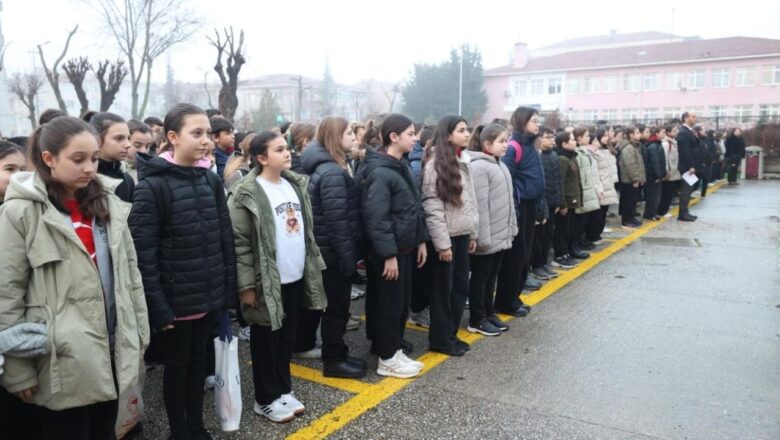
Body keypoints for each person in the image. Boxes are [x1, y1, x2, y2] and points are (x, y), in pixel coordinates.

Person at [0, 117, 149, 440]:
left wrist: (138, 337)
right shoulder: (21, 213)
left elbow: (130, 278)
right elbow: (6, 293)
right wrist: (18, 370)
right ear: (48, 158)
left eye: (94, 158)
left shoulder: (108, 203)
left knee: (106, 431)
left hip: (110, 351)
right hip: (60, 362)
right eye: (77, 159)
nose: (89, 168)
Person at [129, 104, 237, 439]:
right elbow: (143, 255)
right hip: (176, 303)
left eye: (207, 133)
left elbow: (223, 238)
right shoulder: (153, 187)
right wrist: (159, 307)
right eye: (197, 133)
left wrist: (226, 293)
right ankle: (179, 430)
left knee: (197, 367)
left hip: (207, 296)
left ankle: (196, 425)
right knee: (178, 369)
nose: (206, 141)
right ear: (172, 137)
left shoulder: (208, 179)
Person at [228, 131, 327, 423]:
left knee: (286, 338)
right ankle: (265, 398)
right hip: (265, 280)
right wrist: (246, 285)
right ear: (261, 158)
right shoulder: (247, 192)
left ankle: (283, 390)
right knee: (265, 341)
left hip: (294, 275)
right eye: (279, 149)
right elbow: (240, 243)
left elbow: (304, 231)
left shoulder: (293, 185)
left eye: (287, 148)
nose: (288, 153)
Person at [361, 114, 428, 378]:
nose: (415, 138)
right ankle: (387, 359)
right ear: (394, 137)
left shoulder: (399, 166)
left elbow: (413, 207)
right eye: (410, 134)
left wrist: (420, 240)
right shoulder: (380, 172)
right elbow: (377, 218)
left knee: (400, 303)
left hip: (405, 247)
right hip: (391, 252)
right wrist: (388, 254)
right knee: (389, 304)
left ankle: (392, 348)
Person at [300, 117, 366, 378]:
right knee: (335, 310)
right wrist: (349, 261)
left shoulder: (331, 167)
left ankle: (337, 354)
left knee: (334, 309)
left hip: (330, 252)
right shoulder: (331, 173)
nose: (353, 137)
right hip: (333, 255)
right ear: (335, 137)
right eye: (349, 133)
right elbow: (337, 222)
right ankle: (334, 360)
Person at [422, 115, 478, 356]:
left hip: (462, 234)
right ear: (448, 135)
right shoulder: (436, 164)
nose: (467, 134)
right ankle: (441, 340)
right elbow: (432, 206)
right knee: (443, 293)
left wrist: (472, 234)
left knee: (460, 288)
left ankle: (450, 335)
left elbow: (470, 202)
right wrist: (443, 245)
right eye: (462, 130)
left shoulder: (461, 160)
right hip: (446, 239)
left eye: (467, 130)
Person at [464, 123, 516, 336]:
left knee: (491, 276)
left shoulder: (500, 164)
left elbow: (509, 203)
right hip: (487, 236)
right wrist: (480, 237)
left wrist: (511, 228)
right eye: (502, 141)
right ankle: (477, 318)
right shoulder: (479, 167)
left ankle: (488, 311)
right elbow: (480, 206)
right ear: (487, 144)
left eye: (506, 140)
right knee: (480, 277)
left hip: (500, 234)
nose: (506, 145)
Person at [494, 107, 544, 317]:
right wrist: (515, 210)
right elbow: (508, 181)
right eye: (533, 120)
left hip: (530, 206)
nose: (537, 124)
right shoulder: (514, 147)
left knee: (524, 256)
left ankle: (514, 297)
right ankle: (505, 302)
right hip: (519, 208)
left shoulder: (531, 145)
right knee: (515, 258)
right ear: (523, 122)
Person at [530, 128, 561, 280]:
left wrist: (558, 201)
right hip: (541, 205)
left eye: (553, 137)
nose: (552, 141)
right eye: (548, 137)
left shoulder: (554, 156)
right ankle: (536, 265)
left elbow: (557, 181)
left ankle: (543, 262)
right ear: (539, 139)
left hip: (552, 203)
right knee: (537, 238)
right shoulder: (536, 157)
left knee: (548, 235)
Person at [552, 131, 581, 269]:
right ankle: (560, 254)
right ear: (564, 144)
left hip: (572, 200)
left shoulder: (571, 158)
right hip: (566, 201)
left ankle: (567, 252)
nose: (575, 142)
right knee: (562, 229)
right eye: (572, 140)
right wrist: (562, 204)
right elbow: (560, 183)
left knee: (569, 228)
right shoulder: (562, 159)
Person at [90, 112, 135, 203]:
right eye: (119, 138)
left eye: (128, 138)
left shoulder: (127, 179)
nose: (128, 145)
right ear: (97, 139)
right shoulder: (86, 177)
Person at [572, 127, 600, 252]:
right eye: (586, 136)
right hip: (583, 189)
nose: (589, 138)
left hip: (589, 188)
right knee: (580, 219)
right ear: (579, 138)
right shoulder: (577, 153)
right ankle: (577, 242)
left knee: (586, 218)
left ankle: (582, 239)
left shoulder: (585, 151)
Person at [591, 128, 619, 239]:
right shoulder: (596, 152)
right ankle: (594, 234)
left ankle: (600, 230)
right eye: (604, 136)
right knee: (598, 212)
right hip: (601, 184)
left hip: (609, 182)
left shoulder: (608, 149)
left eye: (607, 135)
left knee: (604, 210)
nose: (607, 138)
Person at [618, 126, 646, 228]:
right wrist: (635, 179)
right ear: (631, 135)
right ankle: (626, 220)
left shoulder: (635, 146)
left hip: (634, 180)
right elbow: (630, 165)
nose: (640, 134)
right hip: (629, 180)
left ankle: (631, 218)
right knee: (628, 202)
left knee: (632, 201)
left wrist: (641, 178)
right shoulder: (628, 148)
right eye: (637, 133)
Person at [676, 112, 699, 221]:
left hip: (691, 165)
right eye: (693, 117)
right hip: (686, 166)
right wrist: (690, 166)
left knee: (689, 190)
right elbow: (685, 151)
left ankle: (686, 211)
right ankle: (682, 213)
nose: (695, 118)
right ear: (686, 118)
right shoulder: (683, 132)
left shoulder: (689, 131)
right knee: (686, 190)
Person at [643, 127, 667, 220]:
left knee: (656, 196)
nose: (664, 134)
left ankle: (653, 213)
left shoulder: (657, 144)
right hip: (652, 176)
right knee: (652, 196)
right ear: (656, 133)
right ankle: (649, 214)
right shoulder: (653, 146)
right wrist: (659, 175)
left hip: (656, 175)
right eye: (662, 132)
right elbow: (655, 162)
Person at [658, 124, 681, 218]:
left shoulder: (673, 142)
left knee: (670, 192)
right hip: (669, 172)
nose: (676, 132)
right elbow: (665, 158)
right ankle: (662, 211)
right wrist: (666, 171)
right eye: (674, 131)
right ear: (668, 132)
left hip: (674, 171)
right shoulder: (666, 144)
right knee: (666, 192)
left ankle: (665, 209)